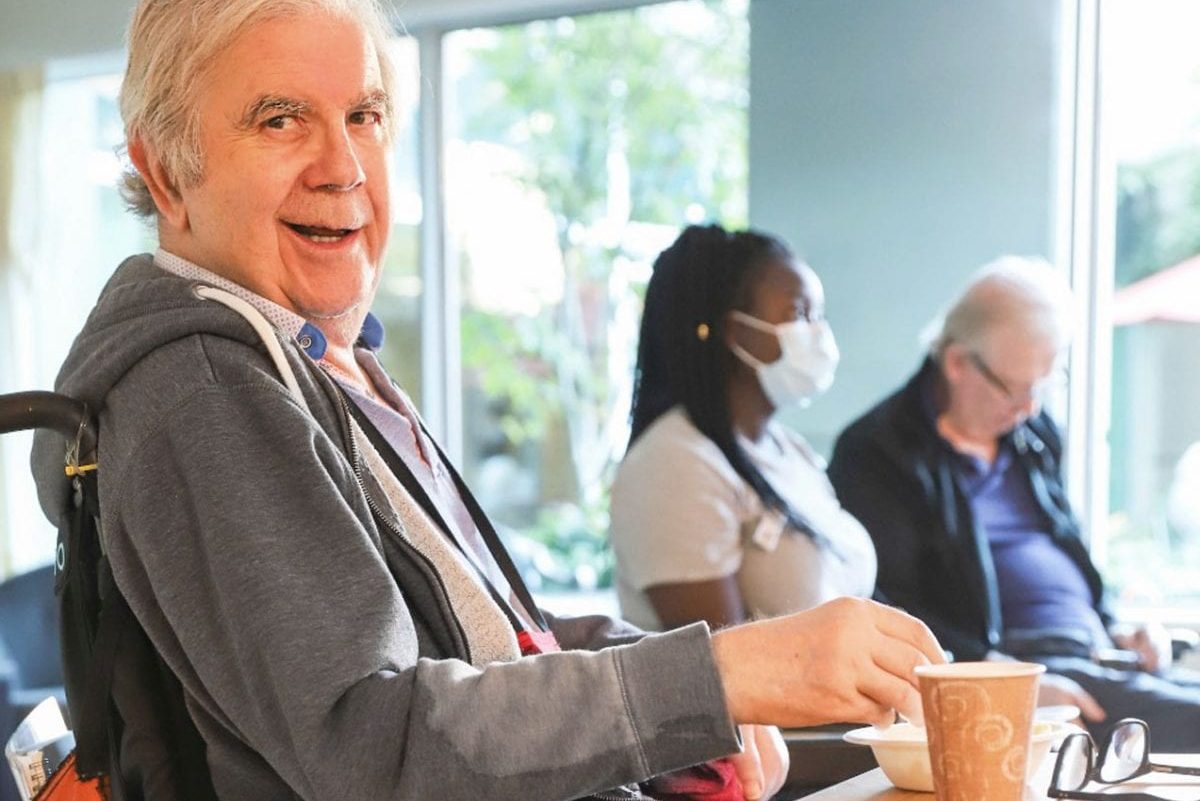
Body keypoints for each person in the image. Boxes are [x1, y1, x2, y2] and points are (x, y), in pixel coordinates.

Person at [29, 1, 944, 799]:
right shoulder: (209, 389)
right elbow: (374, 746)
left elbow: (491, 652)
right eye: (279, 121)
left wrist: (701, 690)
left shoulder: (315, 362)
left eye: (365, 113)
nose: (343, 164)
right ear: (165, 173)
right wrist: (719, 675)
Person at [827, 255, 1200, 749]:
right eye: (1017, 389)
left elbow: (1065, 550)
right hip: (1023, 668)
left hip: (1097, 653)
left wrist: (1117, 626)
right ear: (958, 362)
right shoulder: (878, 451)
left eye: (1043, 386)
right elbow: (886, 606)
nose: (1031, 408)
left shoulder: (1032, 435)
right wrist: (997, 677)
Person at [610, 225, 875, 632]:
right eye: (799, 314)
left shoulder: (788, 449)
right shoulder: (675, 464)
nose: (818, 333)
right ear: (733, 331)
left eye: (819, 315)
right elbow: (718, 667)